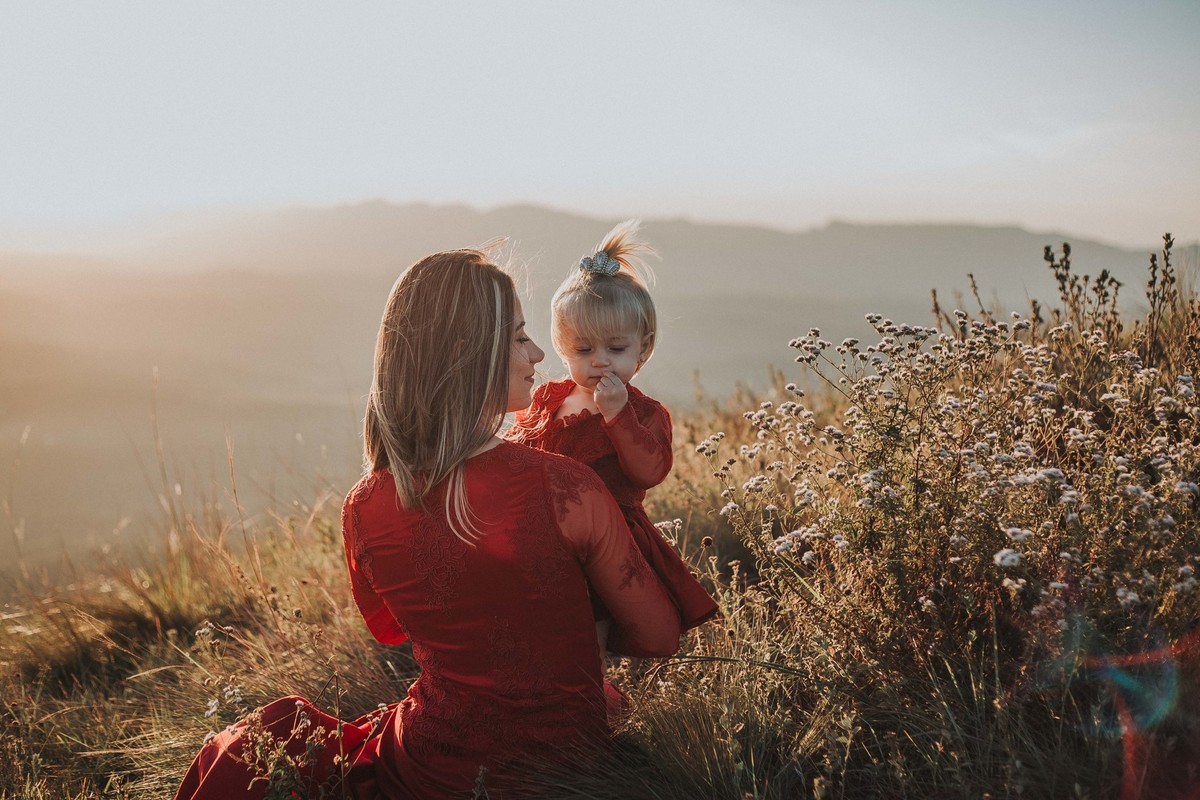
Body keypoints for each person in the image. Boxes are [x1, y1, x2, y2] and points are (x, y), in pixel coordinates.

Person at [173, 248, 682, 800]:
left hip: (425, 767)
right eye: (517, 336)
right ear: (470, 354)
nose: (537, 353)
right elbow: (660, 635)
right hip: (567, 767)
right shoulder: (569, 488)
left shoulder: (363, 505)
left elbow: (389, 630)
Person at [507, 221, 719, 647]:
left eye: (616, 349)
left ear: (644, 347)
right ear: (563, 347)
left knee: (591, 624)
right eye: (584, 350)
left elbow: (649, 471)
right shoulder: (549, 397)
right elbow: (520, 452)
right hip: (542, 532)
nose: (600, 361)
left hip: (607, 540)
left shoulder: (643, 412)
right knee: (540, 624)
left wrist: (618, 416)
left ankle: (593, 690)